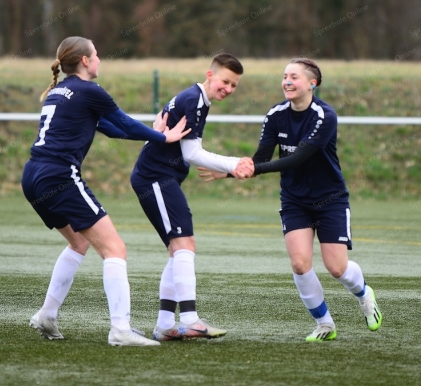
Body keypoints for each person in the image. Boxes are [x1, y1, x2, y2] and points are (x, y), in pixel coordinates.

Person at [23, 36, 192, 346]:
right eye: (97, 54)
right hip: (60, 176)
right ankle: (120, 330)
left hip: (33, 176)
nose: (99, 59)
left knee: (78, 244)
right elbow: (125, 123)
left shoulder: (59, 91)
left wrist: (154, 134)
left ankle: (47, 314)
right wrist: (164, 138)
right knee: (115, 249)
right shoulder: (89, 90)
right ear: (85, 61)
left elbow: (112, 128)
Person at [199, 58, 382, 341]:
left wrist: (252, 168)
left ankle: (364, 295)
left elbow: (296, 159)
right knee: (299, 263)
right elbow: (261, 158)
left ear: (312, 83)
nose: (286, 81)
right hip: (295, 200)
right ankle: (325, 324)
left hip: (330, 199)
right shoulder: (275, 115)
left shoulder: (324, 116)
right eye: (284, 76)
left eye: (294, 77)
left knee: (337, 268)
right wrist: (231, 171)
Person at [129, 53, 254, 342]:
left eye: (234, 85)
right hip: (155, 178)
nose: (229, 89)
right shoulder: (194, 100)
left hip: (162, 178)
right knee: (184, 244)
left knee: (179, 248)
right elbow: (191, 154)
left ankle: (165, 325)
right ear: (210, 75)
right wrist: (233, 164)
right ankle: (189, 319)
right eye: (225, 81)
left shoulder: (196, 99)